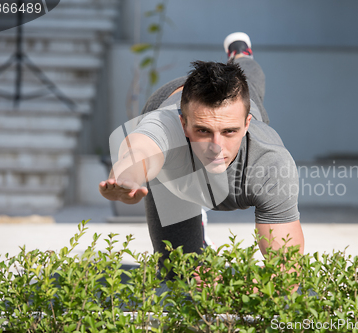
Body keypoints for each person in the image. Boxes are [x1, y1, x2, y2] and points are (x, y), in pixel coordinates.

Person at [99, 32, 304, 275]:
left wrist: (241, 293)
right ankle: (196, 228)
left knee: (248, 77)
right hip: (178, 162)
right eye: (203, 131)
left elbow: (287, 271)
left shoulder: (271, 163)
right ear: (183, 124)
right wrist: (129, 177)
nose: (216, 146)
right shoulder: (165, 125)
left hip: (238, 114)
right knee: (179, 275)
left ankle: (240, 54)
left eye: (229, 132)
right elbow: (141, 150)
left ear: (247, 124)